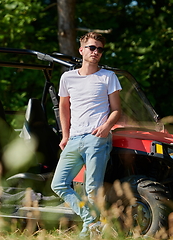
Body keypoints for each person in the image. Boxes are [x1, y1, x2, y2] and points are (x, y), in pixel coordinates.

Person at [51, 32, 122, 237]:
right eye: (92, 48)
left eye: (100, 49)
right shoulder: (68, 77)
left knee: (92, 189)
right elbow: (64, 107)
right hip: (74, 138)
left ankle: (88, 232)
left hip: (96, 138)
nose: (96, 52)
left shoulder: (108, 76)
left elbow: (116, 109)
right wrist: (65, 136)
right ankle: (91, 221)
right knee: (58, 184)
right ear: (81, 50)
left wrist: (107, 127)